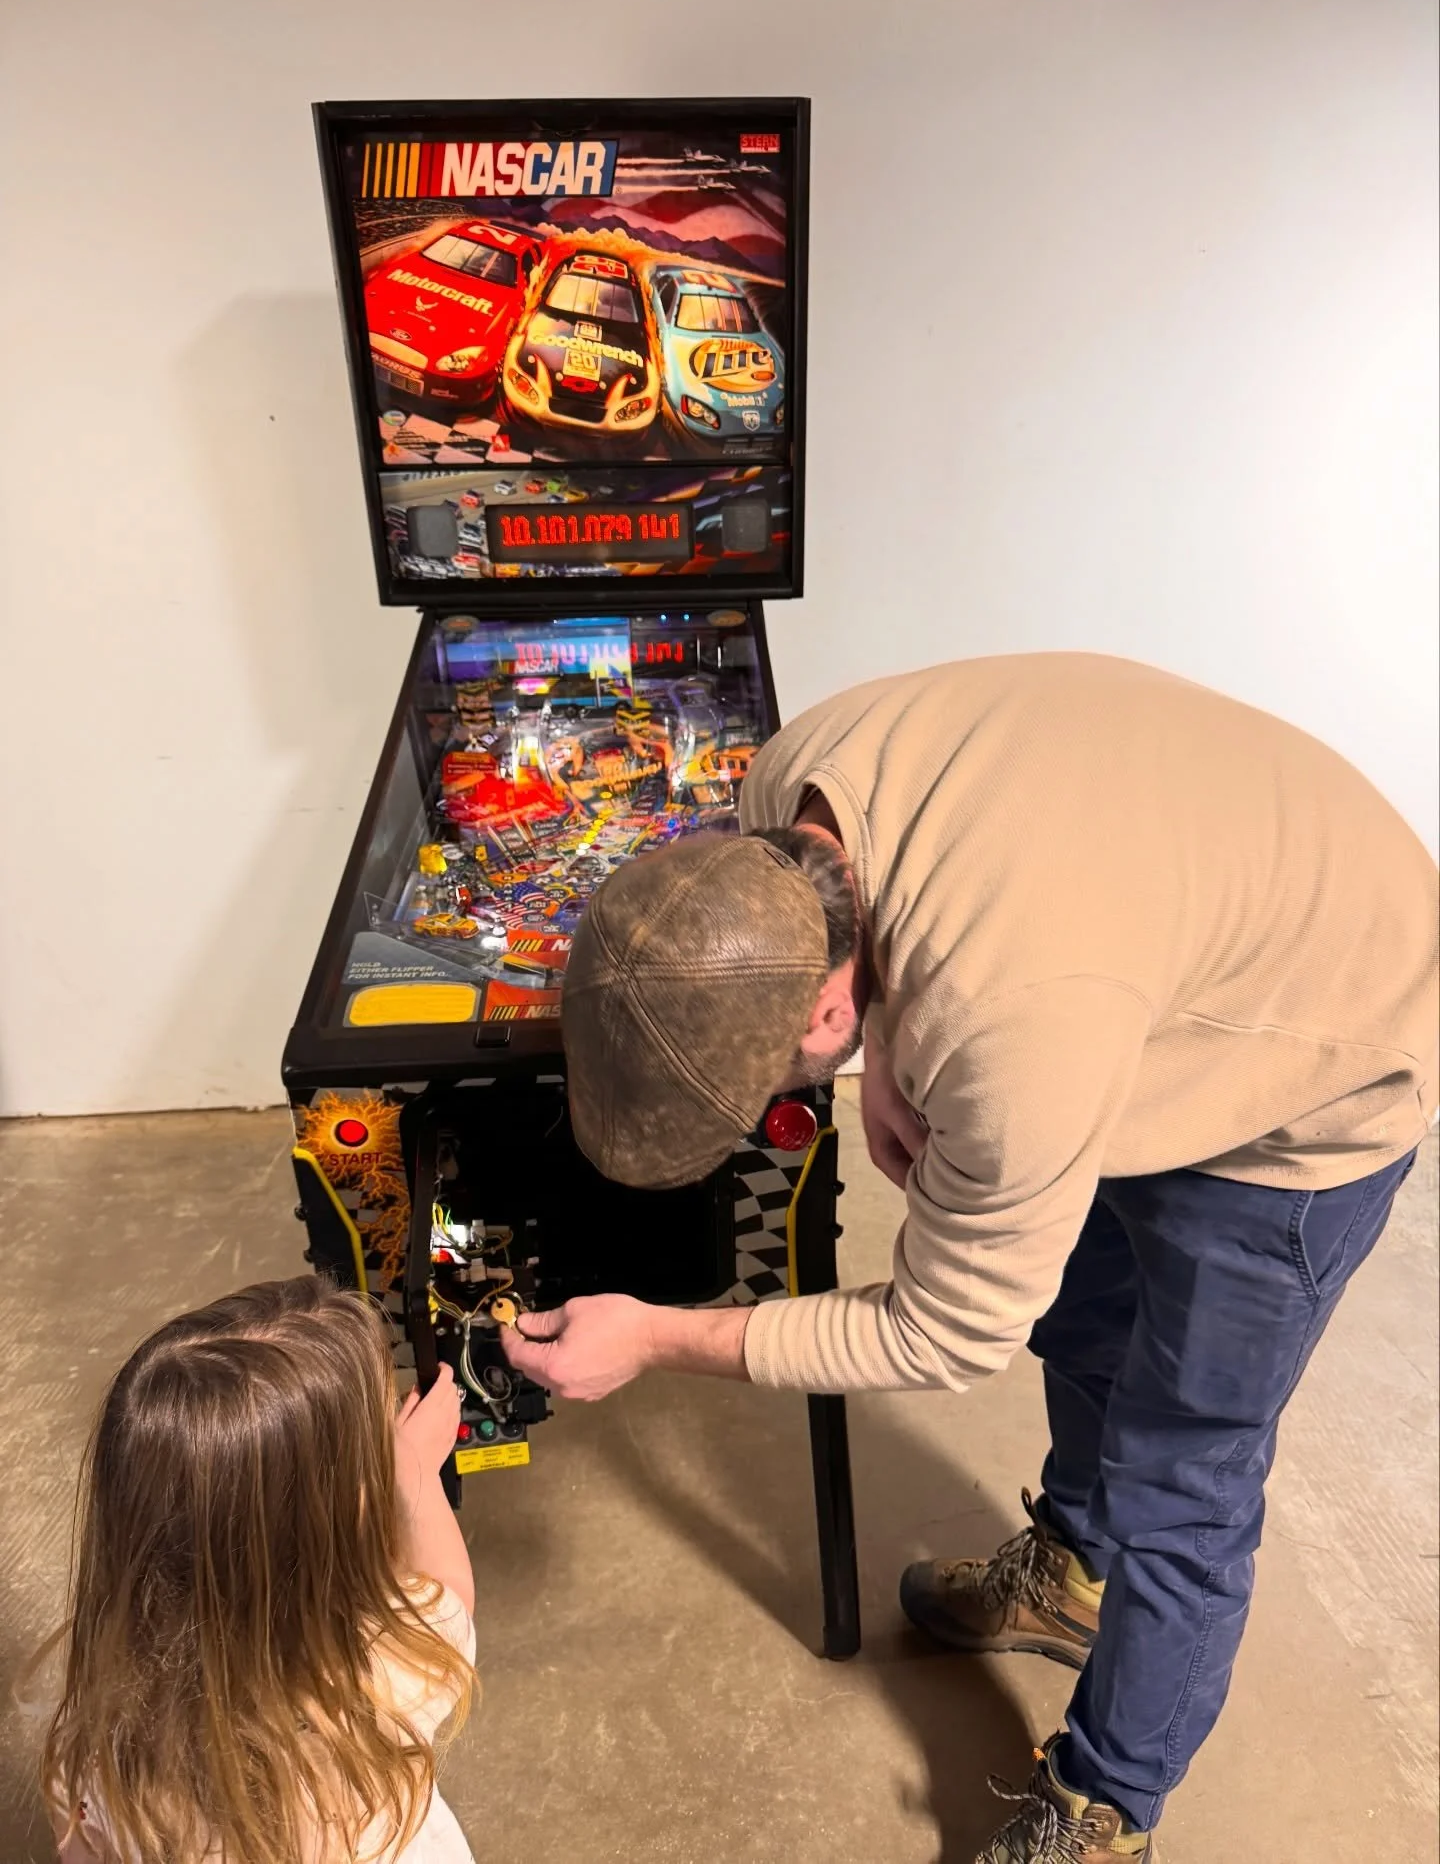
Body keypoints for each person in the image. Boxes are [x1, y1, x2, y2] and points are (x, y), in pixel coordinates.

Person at [502, 652, 1438, 1863]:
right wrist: (892, 1052)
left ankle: (1108, 1809)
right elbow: (924, 928)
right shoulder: (788, 790)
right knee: (1085, 1317)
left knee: (1183, 1481)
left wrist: (659, 1337)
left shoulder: (1015, 1030)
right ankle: (1073, 1573)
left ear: (823, 1010)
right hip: (1157, 954)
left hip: (1325, 1047)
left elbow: (944, 1331)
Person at [40, 1276, 477, 1864]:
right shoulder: (384, 1677)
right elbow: (451, 1593)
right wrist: (412, 1470)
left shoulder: (96, 1746)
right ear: (325, 1525)